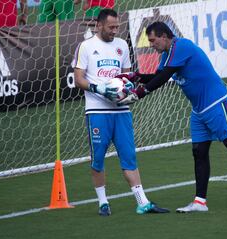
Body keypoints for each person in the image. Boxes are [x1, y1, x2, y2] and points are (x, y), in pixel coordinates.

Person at [118, 21, 227, 212]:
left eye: (153, 40)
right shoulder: (167, 55)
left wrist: (139, 93)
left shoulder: (182, 46)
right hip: (199, 110)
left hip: (216, 102)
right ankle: (200, 202)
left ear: (164, 37)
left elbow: (164, 77)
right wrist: (135, 76)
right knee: (199, 152)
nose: (152, 45)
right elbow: (158, 76)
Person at [72, 9, 169, 216]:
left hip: (121, 110)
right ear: (98, 25)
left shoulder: (122, 45)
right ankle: (103, 202)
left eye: (117, 27)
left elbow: (127, 76)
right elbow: (79, 79)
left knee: (129, 156)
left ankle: (142, 202)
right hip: (97, 111)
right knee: (98, 158)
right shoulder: (86, 46)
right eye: (111, 27)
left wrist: (128, 91)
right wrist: (98, 89)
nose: (115, 31)